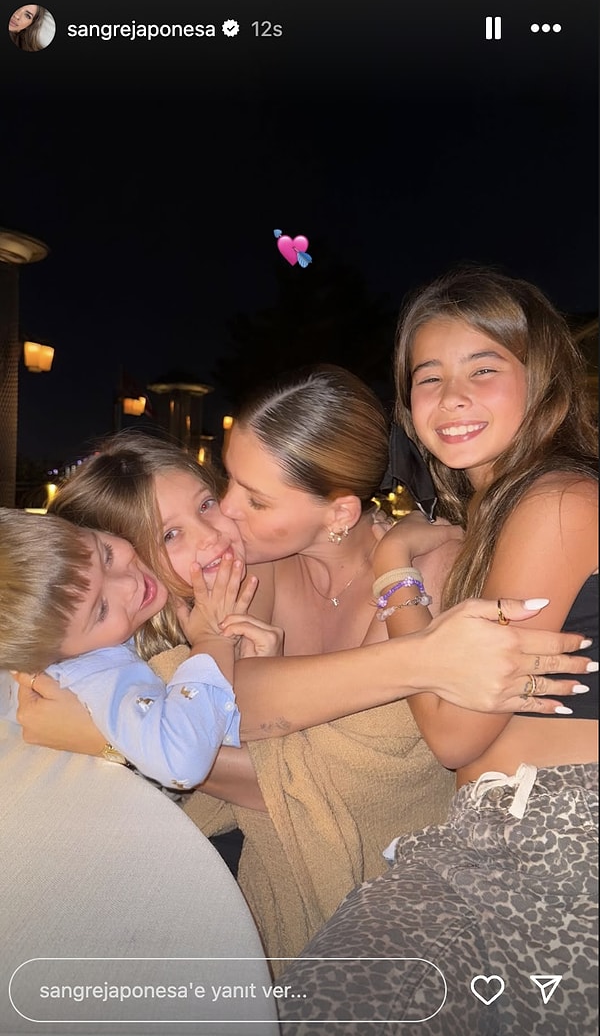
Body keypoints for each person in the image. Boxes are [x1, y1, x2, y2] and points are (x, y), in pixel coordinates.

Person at [11, 378, 595, 972]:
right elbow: (243, 719)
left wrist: (111, 740)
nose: (224, 520)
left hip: (405, 907)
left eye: (234, 500)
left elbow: (348, 788)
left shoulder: (424, 568)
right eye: (223, 487)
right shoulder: (224, 592)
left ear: (339, 512)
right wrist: (419, 658)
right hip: (266, 898)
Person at [276, 266, 598, 1035]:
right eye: (429, 378)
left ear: (542, 380)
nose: (452, 397)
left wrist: (395, 570)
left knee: (338, 1005)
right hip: (497, 838)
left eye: (483, 370)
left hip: (557, 843)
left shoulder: (556, 502)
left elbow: (455, 732)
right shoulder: (500, 507)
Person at [0, 505, 279, 788]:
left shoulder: (82, 638)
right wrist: (212, 641)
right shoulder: (91, 675)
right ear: (53, 660)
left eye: (107, 555)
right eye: (101, 610)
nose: (129, 584)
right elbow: (181, 760)